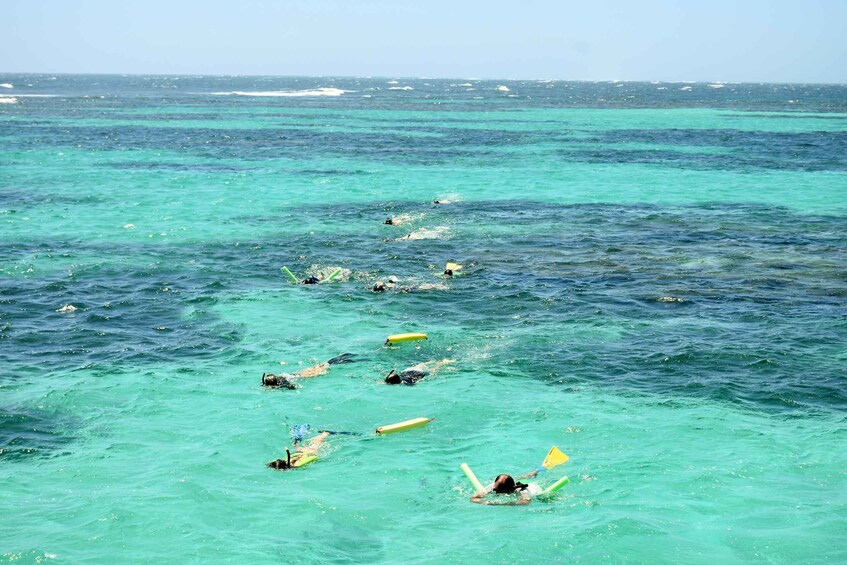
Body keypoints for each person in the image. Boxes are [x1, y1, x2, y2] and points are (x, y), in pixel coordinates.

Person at [262, 353, 361, 388]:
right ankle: (346, 356)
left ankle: (354, 359)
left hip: (302, 376)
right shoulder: (279, 378)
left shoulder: (282, 383)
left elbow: (292, 387)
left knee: (326, 367)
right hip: (297, 373)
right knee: (324, 364)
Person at [267, 429, 331, 471]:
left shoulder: (290, 466)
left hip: (302, 454)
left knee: (311, 443)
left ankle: (323, 434)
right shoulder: (295, 465)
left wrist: (297, 458)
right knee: (316, 442)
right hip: (309, 453)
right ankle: (326, 433)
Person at [470, 470, 541, 505]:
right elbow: (473, 498)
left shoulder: (522, 490)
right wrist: (486, 502)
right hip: (511, 484)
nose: (496, 491)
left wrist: (506, 504)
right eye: (496, 489)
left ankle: (536, 471)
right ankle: (531, 474)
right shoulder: (493, 486)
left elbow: (525, 502)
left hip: (535, 489)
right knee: (518, 478)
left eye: (500, 490)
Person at [385, 359, 454, 385]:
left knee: (433, 370)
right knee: (421, 365)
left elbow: (413, 383)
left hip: (418, 373)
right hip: (408, 370)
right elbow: (391, 374)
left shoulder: (406, 382)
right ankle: (432, 361)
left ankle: (440, 364)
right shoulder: (393, 378)